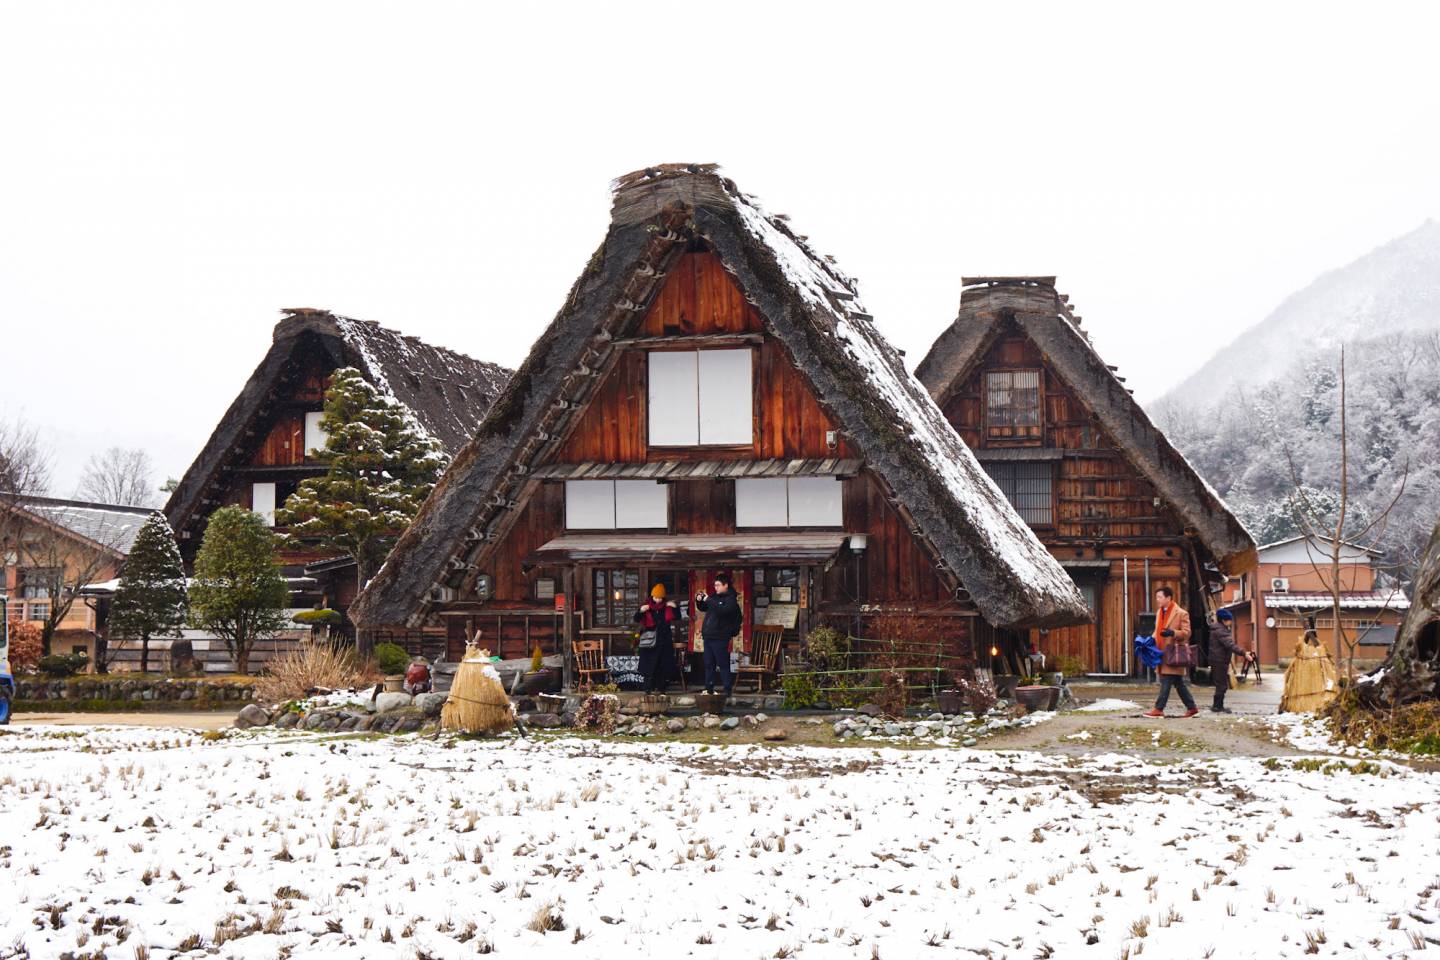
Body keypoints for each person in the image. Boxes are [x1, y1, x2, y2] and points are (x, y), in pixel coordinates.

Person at [1143, 586, 1198, 718]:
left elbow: (1187, 633)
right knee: (1179, 683)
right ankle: (1192, 707)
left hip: (1173, 653)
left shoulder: (1181, 613)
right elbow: (1157, 631)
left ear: (1168, 598)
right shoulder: (1159, 612)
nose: (1157, 600)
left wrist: (1173, 633)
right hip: (1161, 653)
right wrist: (1150, 641)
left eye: (1159, 597)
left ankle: (1159, 708)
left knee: (1166, 681)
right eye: (1156, 597)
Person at [695, 572, 743, 699]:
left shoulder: (731, 600)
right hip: (709, 635)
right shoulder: (714, 597)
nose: (715, 587)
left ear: (725, 585)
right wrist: (699, 601)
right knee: (708, 663)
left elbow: (722, 610)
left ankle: (727, 690)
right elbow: (704, 608)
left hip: (721, 636)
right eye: (715, 585)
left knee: (723, 664)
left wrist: (709, 600)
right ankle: (708, 688)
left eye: (718, 585)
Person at [634, 584, 679, 694]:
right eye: (656, 597)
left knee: (663, 665)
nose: (658, 600)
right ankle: (648, 688)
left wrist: (675, 607)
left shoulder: (667, 606)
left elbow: (677, 617)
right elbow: (636, 619)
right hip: (650, 640)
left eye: (660, 598)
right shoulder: (646, 606)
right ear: (652, 596)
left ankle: (662, 688)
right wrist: (641, 611)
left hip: (664, 639)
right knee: (649, 666)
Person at [1208, 608, 1254, 713]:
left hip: (1218, 660)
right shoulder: (1221, 631)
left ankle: (1218, 705)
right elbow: (1230, 645)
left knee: (1221, 684)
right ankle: (1217, 706)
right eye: (1229, 620)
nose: (1231, 622)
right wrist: (1244, 653)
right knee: (1221, 685)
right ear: (1224, 620)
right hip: (1219, 660)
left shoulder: (1219, 629)